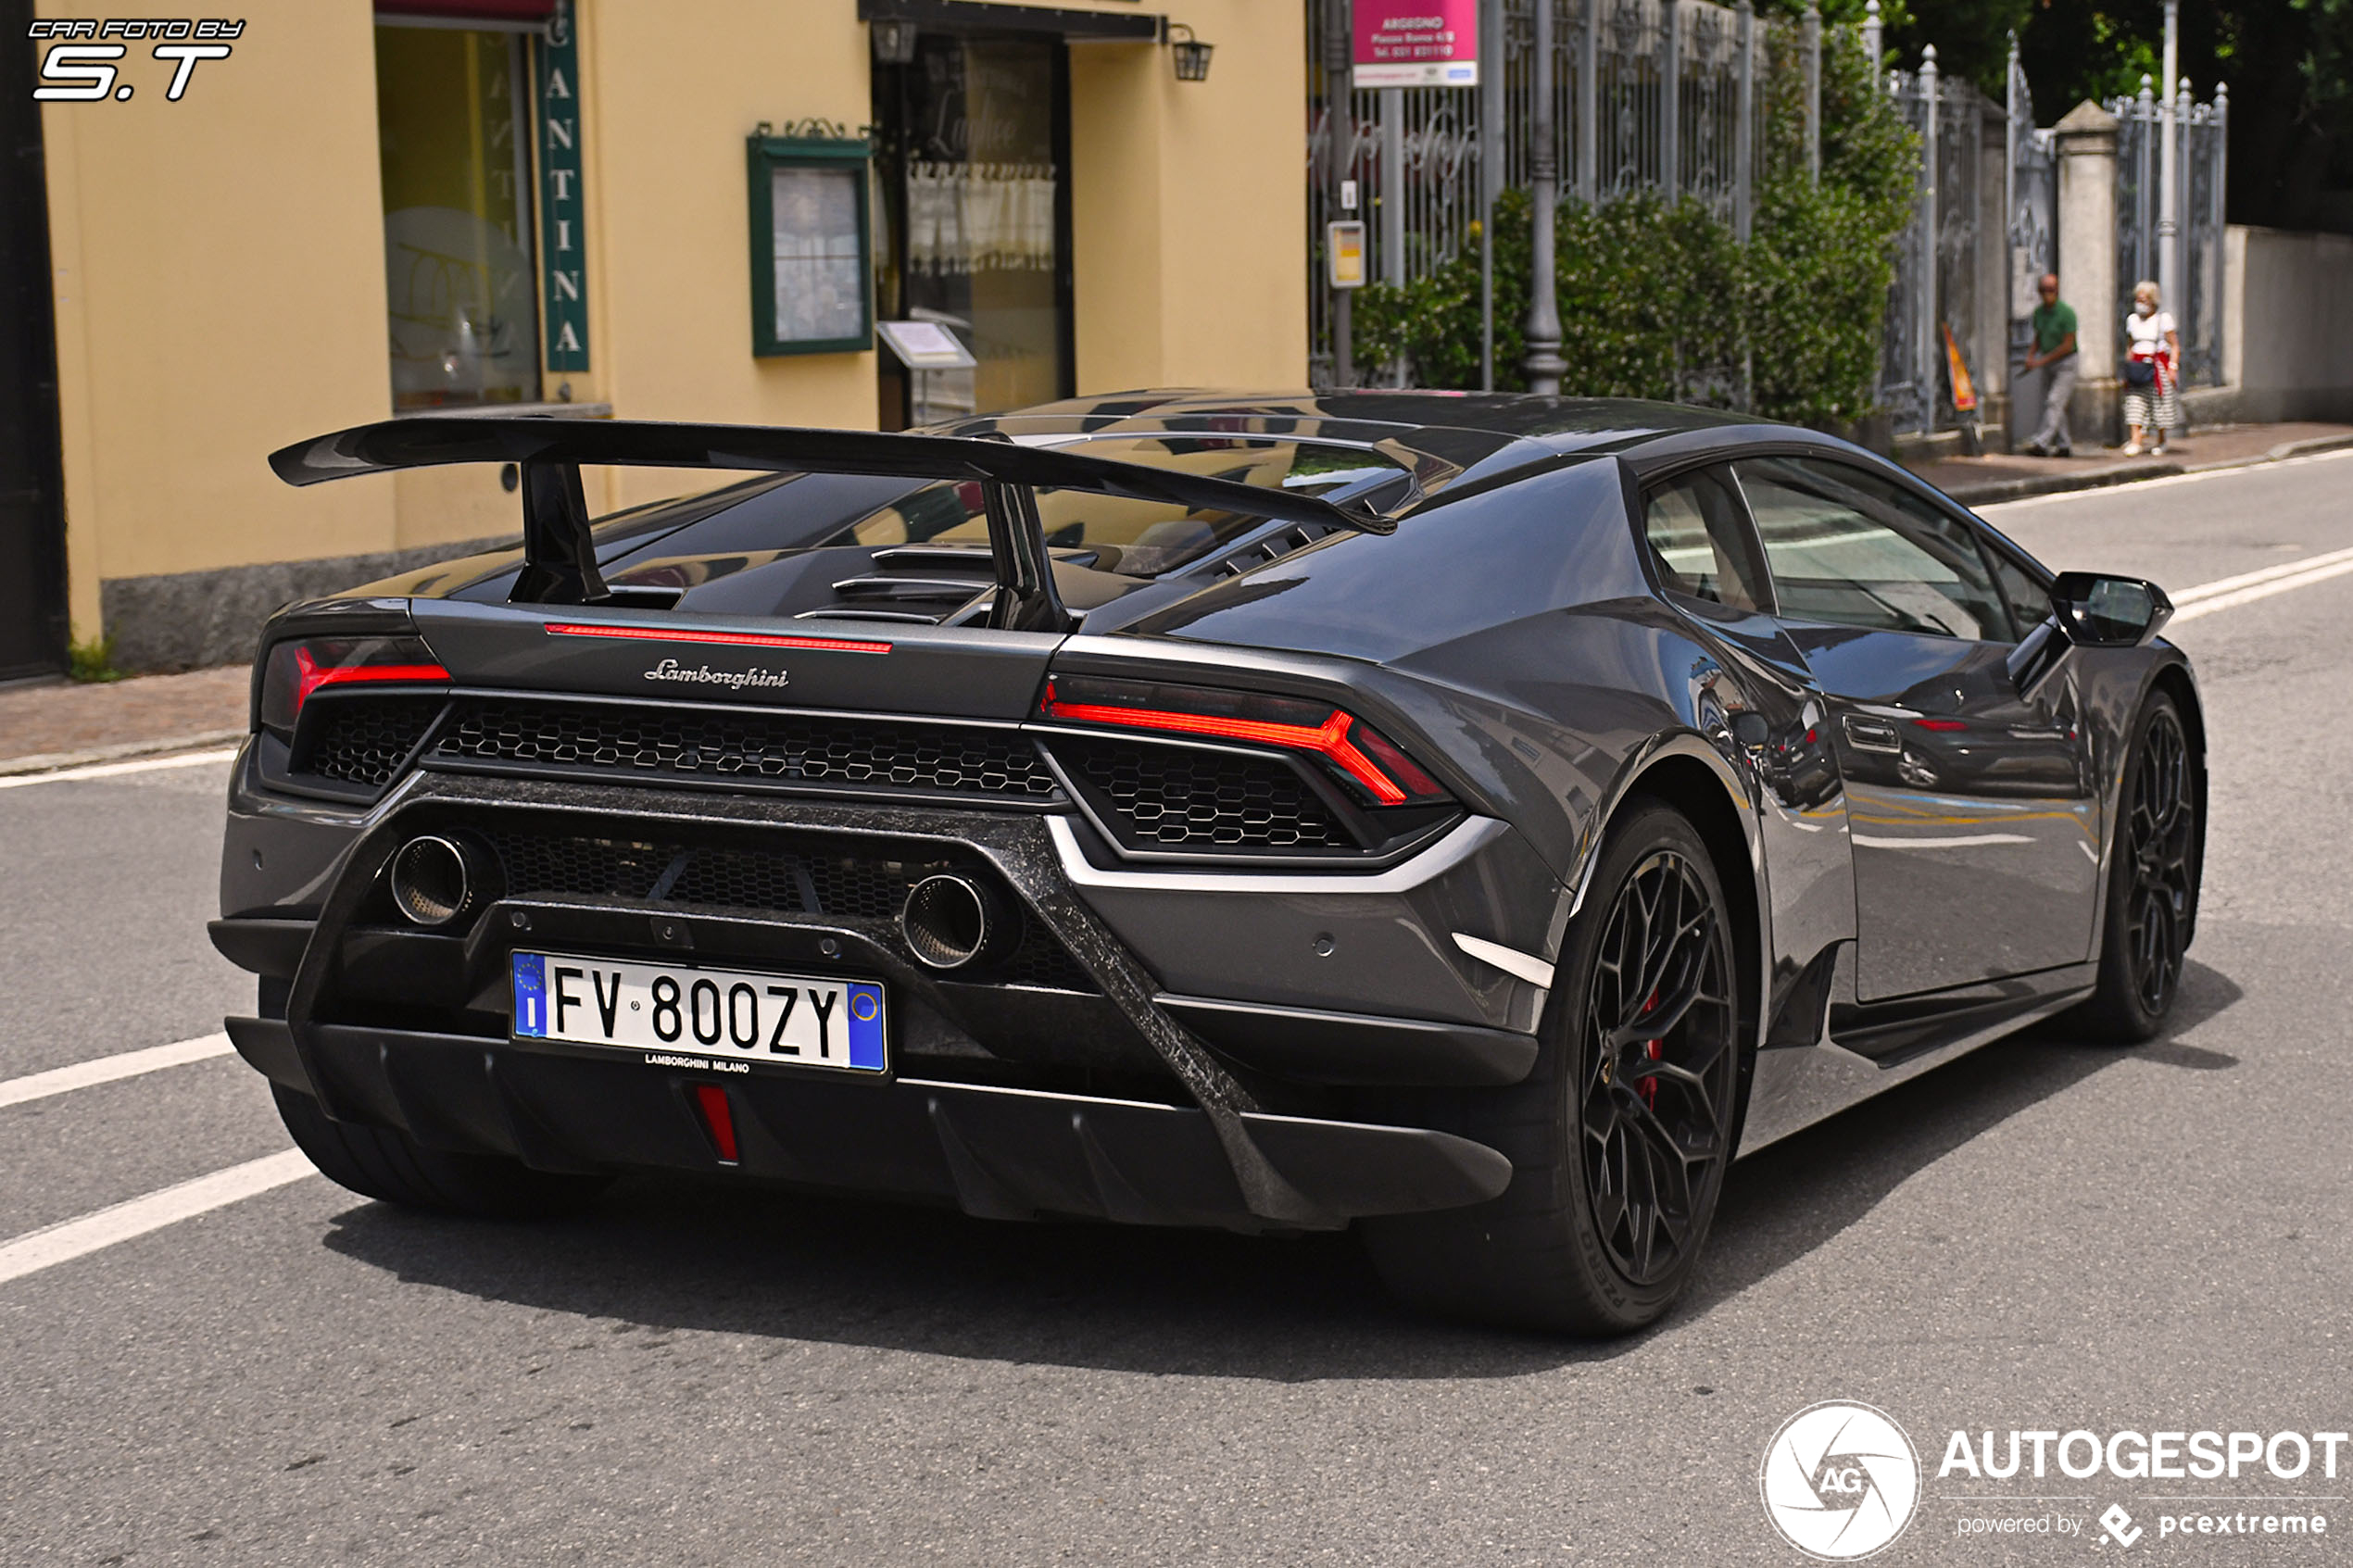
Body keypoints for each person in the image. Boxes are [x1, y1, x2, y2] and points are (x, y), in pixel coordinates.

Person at [2020, 273, 2077, 457]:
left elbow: (2067, 345)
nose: (2047, 294)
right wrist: (2030, 356)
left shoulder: (2066, 313)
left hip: (2066, 363)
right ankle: (2064, 445)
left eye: (2051, 290)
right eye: (2044, 290)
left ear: (2057, 291)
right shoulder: (2039, 313)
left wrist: (2041, 361)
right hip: (2048, 361)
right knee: (2055, 404)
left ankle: (2041, 442)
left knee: (2054, 401)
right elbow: (2038, 337)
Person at [2121, 280, 2181, 457]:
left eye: (2144, 300)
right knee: (2134, 403)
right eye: (2138, 300)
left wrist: (2173, 367)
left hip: (2156, 366)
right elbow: (2130, 346)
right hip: (2137, 366)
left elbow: (2174, 345)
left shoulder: (2163, 319)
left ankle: (2161, 440)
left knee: (2158, 404)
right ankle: (2136, 440)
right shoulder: (2132, 320)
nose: (2141, 304)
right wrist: (2127, 366)